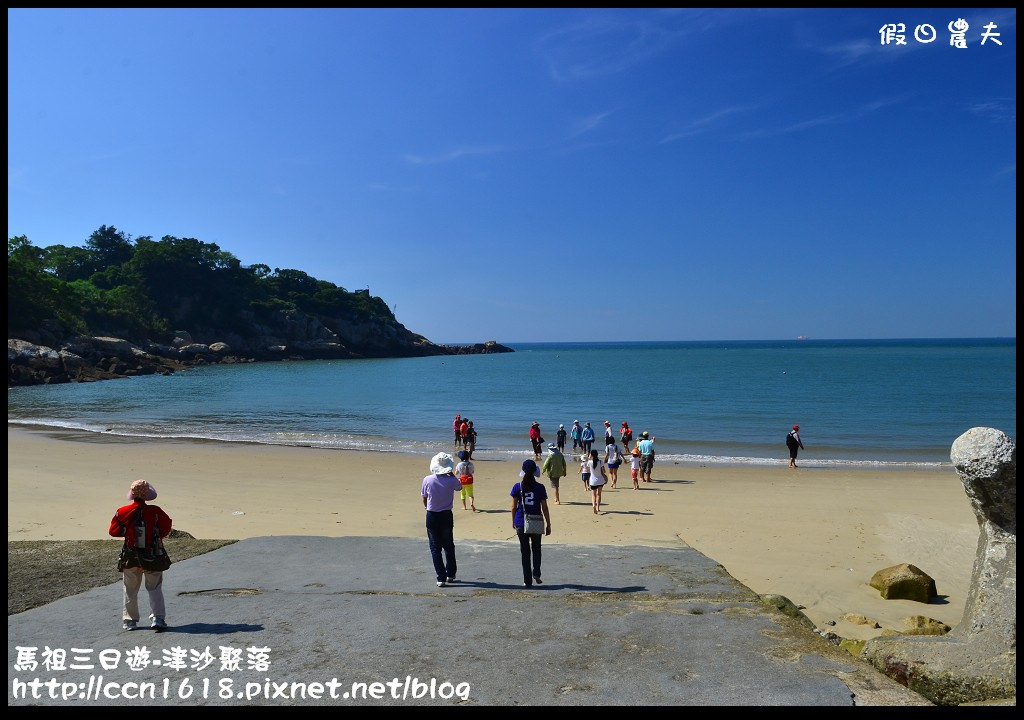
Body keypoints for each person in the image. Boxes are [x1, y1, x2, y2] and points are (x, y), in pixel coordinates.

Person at [109, 479, 173, 631]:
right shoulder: (156, 511)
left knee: (130, 588)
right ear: (147, 496)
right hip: (153, 554)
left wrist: (127, 532)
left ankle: (129, 621)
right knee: (154, 586)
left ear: (132, 495)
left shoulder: (122, 511)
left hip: (131, 555)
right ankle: (157, 618)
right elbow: (166, 527)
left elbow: (113, 531)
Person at [421, 452, 464, 587]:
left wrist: (428, 507)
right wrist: (451, 474)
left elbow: (424, 497)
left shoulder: (427, 479)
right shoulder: (451, 480)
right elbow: (459, 487)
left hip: (432, 515)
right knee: (448, 545)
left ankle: (441, 576)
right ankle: (450, 573)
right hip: (446, 515)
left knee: (435, 547)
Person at [510, 459, 551, 587]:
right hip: (536, 521)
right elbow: (544, 507)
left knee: (525, 551)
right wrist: (548, 524)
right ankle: (536, 573)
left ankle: (527, 580)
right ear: (534, 472)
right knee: (537, 548)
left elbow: (513, 507)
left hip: (521, 521)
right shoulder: (540, 487)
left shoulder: (517, 486)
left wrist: (513, 521)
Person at [586, 449, 608, 514]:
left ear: (591, 455)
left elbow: (588, 467)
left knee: (593, 495)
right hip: (600, 480)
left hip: (593, 481)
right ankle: (598, 508)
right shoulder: (600, 462)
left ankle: (593, 505)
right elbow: (604, 471)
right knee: (599, 494)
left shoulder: (589, 462)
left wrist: (589, 457)